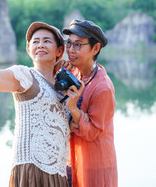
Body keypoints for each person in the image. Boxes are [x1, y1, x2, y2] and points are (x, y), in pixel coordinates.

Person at [0, 20, 78, 186]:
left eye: (47, 41)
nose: (40, 45)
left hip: (58, 173)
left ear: (59, 50)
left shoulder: (63, 89)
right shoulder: (24, 76)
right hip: (32, 169)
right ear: (28, 49)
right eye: (35, 42)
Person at [61, 19, 118, 187]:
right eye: (69, 44)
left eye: (78, 45)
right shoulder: (74, 72)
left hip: (95, 165)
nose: (71, 50)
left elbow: (92, 132)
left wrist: (73, 108)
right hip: (71, 160)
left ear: (95, 48)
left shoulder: (103, 87)